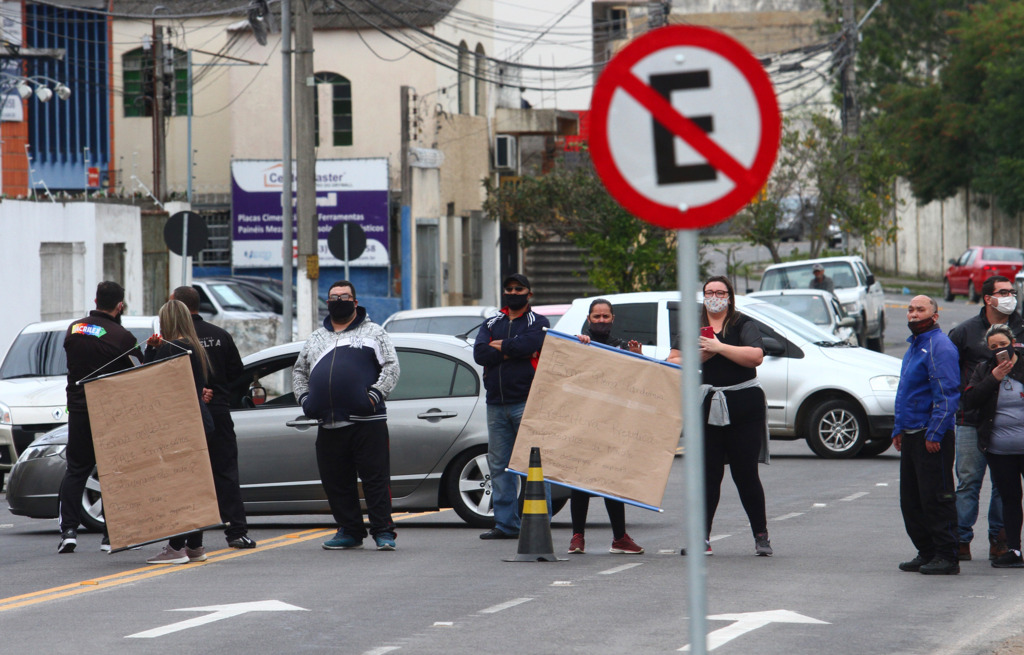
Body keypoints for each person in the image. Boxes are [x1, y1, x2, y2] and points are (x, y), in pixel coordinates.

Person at [292, 280, 400, 551]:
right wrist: (305, 400)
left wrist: (373, 396)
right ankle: (349, 531)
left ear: (355, 301)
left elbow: (391, 367)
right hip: (328, 424)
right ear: (327, 302)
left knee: (375, 480)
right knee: (337, 482)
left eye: (344, 296)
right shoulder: (317, 338)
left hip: (368, 424)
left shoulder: (374, 332)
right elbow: (299, 372)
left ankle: (383, 532)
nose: (338, 300)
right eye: (333, 297)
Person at [670, 276, 772, 557]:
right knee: (708, 474)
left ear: (729, 296)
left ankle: (761, 535)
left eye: (720, 292)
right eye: (709, 292)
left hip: (743, 405)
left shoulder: (742, 324)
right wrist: (699, 356)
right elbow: (672, 360)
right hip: (705, 406)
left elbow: (755, 356)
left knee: (745, 472)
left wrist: (719, 347)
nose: (714, 296)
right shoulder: (693, 326)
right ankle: (701, 538)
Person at [58, 281, 143, 554]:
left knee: (76, 470)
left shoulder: (74, 329)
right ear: (120, 305)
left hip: (79, 411)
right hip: (109, 414)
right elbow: (141, 370)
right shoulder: (122, 337)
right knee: (114, 471)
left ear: (95, 300)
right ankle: (111, 536)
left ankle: (68, 532)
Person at [170, 286, 255, 550]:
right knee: (226, 472)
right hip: (217, 412)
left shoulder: (174, 340)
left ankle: (190, 537)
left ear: (176, 306)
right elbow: (239, 374)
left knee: (189, 476)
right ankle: (237, 532)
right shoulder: (220, 335)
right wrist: (223, 396)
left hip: (185, 415)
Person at [947, 275, 1022, 561]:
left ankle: (1001, 541)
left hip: (1008, 423)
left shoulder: (1021, 328)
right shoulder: (965, 332)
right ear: (987, 298)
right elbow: (949, 374)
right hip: (971, 418)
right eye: (1003, 292)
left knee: (1006, 487)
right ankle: (960, 541)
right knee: (968, 482)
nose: (1010, 296)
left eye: (1012, 291)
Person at [474, 273, 550, 540]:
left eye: (519, 289)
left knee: (534, 467)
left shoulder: (538, 321)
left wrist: (502, 347)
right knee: (499, 466)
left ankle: (539, 523)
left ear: (529, 294)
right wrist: (514, 350)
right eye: (509, 289)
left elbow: (532, 343)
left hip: (527, 402)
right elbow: (480, 353)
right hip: (496, 404)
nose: (513, 292)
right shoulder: (491, 321)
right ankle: (506, 525)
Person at [143, 299, 217, 565]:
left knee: (179, 487)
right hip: (199, 419)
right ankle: (195, 545)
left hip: (179, 423)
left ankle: (176, 547)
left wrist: (151, 351)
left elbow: (149, 380)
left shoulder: (172, 347)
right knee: (194, 484)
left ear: (167, 322)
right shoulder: (193, 346)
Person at [568, 299, 643, 555]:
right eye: (596, 317)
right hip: (583, 422)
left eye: (605, 317)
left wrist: (638, 357)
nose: (601, 321)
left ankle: (620, 538)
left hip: (613, 423)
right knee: (580, 480)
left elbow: (640, 380)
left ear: (612, 319)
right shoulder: (578, 343)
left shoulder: (621, 346)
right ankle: (577, 537)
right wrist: (577, 348)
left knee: (613, 479)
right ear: (589, 320)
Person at [893, 295, 961, 575]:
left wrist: (934, 432)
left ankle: (947, 555)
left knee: (936, 497)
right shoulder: (915, 347)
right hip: (911, 434)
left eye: (920, 309)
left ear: (935, 315)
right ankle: (927, 551)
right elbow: (906, 393)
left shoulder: (939, 346)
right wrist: (898, 429)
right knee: (912, 500)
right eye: (910, 309)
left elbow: (947, 393)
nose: (913, 314)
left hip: (931, 436)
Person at [962, 324, 1024, 568]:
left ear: (1012, 342)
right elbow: (969, 400)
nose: (1000, 350)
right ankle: (1014, 550)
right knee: (1010, 499)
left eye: (1003, 344)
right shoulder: (984, 370)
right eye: (993, 347)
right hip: (1000, 449)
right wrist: (994, 378)